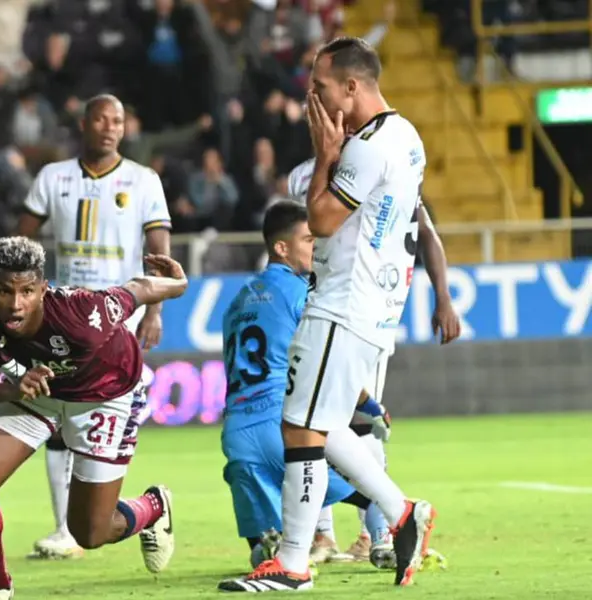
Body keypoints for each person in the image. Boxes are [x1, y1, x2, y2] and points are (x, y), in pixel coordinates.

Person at [220, 37, 436, 593]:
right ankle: (402, 511)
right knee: (326, 423)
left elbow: (318, 221)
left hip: (342, 304)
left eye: (319, 86)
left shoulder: (363, 149)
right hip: (370, 304)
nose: (311, 96)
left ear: (351, 87)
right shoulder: (404, 135)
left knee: (301, 428)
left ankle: (292, 562)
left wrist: (323, 154)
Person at [0, 237, 186, 600]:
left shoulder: (83, 313)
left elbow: (139, 289)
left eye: (27, 291)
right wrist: (11, 390)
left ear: (43, 289)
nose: (15, 304)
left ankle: (153, 506)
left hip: (106, 394)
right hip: (35, 389)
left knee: (89, 533)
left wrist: (179, 284)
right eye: (4, 291)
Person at [16, 94, 172, 560]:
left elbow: (159, 253)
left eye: (118, 121)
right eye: (102, 119)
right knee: (57, 416)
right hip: (61, 314)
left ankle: (121, 510)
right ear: (83, 123)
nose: (110, 128)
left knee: (93, 413)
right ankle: (66, 527)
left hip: (118, 316)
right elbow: (22, 242)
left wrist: (157, 311)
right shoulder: (53, 177)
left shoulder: (144, 181)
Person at [286, 156, 460, 568]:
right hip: (321, 308)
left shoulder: (383, 162)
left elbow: (425, 232)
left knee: (357, 423)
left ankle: (379, 533)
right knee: (312, 422)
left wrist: (444, 297)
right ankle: (326, 534)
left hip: (361, 313)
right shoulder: (302, 177)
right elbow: (297, 237)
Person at [220, 202, 394, 569]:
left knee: (262, 542)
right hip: (277, 422)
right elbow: (329, 360)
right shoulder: (302, 293)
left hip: (236, 430)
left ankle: (272, 550)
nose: (316, 248)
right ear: (281, 248)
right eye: (308, 240)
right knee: (371, 489)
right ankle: (387, 543)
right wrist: (371, 405)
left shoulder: (236, 301)